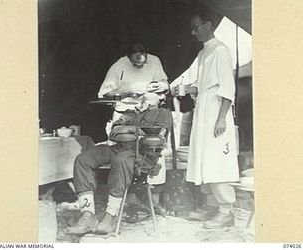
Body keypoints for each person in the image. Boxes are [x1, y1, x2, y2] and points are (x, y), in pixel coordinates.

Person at [67, 93, 173, 235]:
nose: (146, 95)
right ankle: (87, 215)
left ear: (161, 98)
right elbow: (114, 133)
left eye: (153, 92)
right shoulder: (131, 113)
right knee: (83, 159)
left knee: (121, 160)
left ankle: (111, 215)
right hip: (119, 148)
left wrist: (129, 130)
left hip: (143, 154)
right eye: (145, 92)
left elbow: (157, 135)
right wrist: (138, 132)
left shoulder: (163, 113)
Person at [173, 12, 239, 229]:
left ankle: (226, 211)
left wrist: (221, 119)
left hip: (216, 111)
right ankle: (211, 205)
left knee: (217, 160)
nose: (192, 32)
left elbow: (227, 88)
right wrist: (181, 89)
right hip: (203, 109)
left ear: (208, 25)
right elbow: (199, 85)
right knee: (204, 158)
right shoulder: (204, 53)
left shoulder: (220, 50)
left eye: (196, 27)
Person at [98, 42, 170, 119]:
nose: (140, 66)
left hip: (152, 111)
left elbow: (164, 82)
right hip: (126, 111)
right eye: (135, 63)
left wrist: (164, 86)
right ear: (128, 57)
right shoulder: (118, 66)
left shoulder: (155, 61)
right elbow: (105, 94)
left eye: (143, 63)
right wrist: (127, 94)